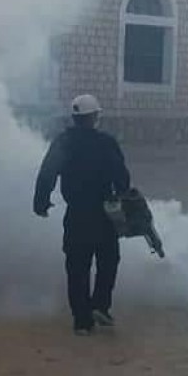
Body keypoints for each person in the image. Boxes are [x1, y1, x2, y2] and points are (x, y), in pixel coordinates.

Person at [33, 94, 130, 336]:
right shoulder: (106, 143)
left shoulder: (63, 142)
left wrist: (41, 203)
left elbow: (47, 174)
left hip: (76, 214)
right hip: (104, 214)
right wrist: (121, 197)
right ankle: (100, 306)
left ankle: (82, 321)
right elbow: (122, 176)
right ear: (95, 116)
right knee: (108, 261)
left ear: (74, 118)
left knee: (77, 266)